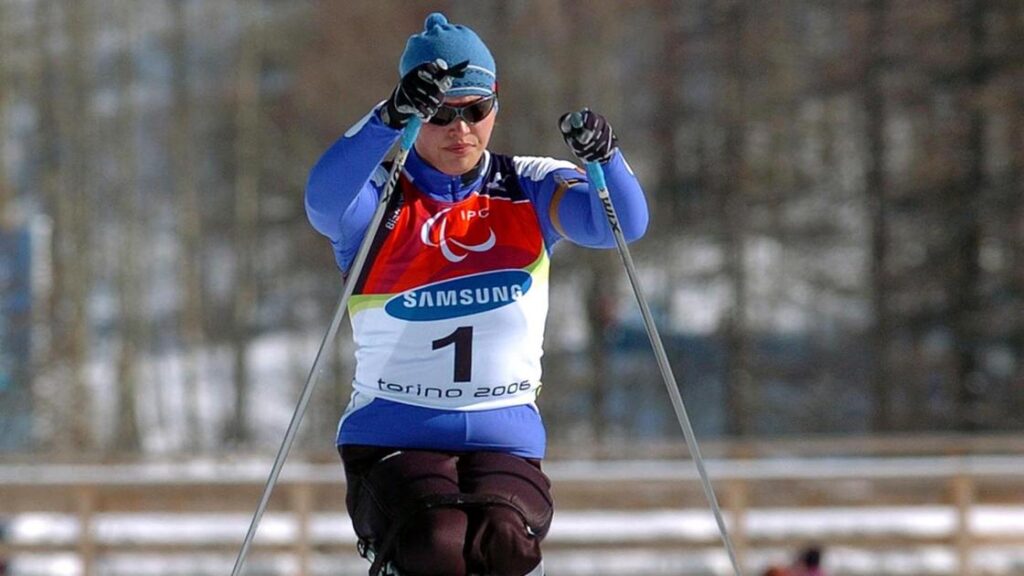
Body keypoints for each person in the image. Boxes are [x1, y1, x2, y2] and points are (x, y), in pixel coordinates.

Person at [305, 12, 649, 576]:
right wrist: (386, 117)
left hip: (503, 437)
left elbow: (620, 225)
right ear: (416, 114)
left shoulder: (527, 184)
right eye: (439, 113)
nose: (460, 128)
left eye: (475, 110)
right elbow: (322, 202)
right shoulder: (382, 196)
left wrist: (606, 158)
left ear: (495, 105)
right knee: (436, 541)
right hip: (392, 434)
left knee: (504, 542)